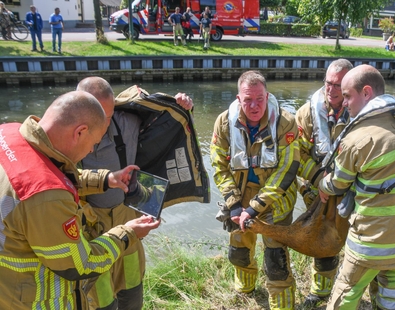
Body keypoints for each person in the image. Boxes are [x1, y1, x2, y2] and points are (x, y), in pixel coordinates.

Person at [0, 91, 160, 310]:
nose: (92, 149)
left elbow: (52, 175)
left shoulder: (9, 134)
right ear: (80, 132)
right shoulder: (46, 197)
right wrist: (128, 233)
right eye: (94, 142)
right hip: (33, 300)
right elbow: (79, 265)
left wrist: (106, 179)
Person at [317, 65, 395, 310]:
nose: (344, 102)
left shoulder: (358, 139)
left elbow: (338, 183)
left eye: (348, 95)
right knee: (392, 278)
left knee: (347, 288)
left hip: (374, 241)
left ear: (367, 92)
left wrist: (322, 184)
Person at [77, 77, 195, 310]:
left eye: (107, 116)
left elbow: (165, 121)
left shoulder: (127, 121)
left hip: (126, 220)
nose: (102, 124)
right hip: (89, 231)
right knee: (101, 300)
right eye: (95, 116)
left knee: (132, 296)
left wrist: (182, 105)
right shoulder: (65, 136)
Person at [210, 70, 300, 309]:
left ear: (267, 96)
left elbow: (287, 170)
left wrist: (254, 208)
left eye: (259, 99)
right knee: (238, 251)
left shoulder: (285, 122)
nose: (254, 105)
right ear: (238, 98)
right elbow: (218, 165)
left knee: (275, 259)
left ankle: (282, 304)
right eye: (248, 99)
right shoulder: (223, 122)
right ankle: (246, 290)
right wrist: (235, 204)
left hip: (275, 199)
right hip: (240, 196)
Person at [294, 58, 353, 306]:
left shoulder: (364, 109)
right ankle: (320, 292)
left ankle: (350, 287)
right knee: (323, 242)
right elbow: (298, 155)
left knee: (356, 245)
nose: (331, 89)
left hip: (353, 190)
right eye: (328, 83)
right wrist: (320, 180)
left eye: (338, 85)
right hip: (318, 191)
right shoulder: (306, 114)